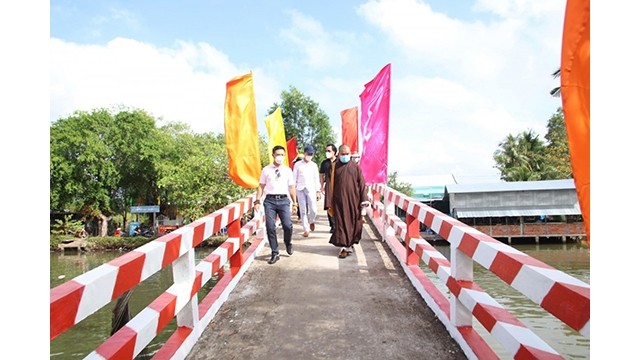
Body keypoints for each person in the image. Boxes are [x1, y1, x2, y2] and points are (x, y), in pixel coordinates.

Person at [254, 145, 298, 264]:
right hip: (270, 201)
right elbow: (261, 186)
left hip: (284, 200)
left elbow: (292, 187)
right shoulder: (266, 170)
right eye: (278, 154)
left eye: (282, 155)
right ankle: (275, 252)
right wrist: (257, 201)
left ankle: (288, 242)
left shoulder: (288, 170)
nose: (280, 157)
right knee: (270, 226)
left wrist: (295, 203)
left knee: (287, 225)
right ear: (273, 155)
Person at [327, 144, 370, 258]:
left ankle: (349, 244)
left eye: (347, 154)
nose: (345, 156)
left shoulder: (355, 167)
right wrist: (328, 202)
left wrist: (364, 201)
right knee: (341, 224)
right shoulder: (334, 167)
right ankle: (345, 247)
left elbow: (362, 185)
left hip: (354, 201)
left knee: (354, 224)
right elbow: (329, 185)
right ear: (338, 154)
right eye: (343, 154)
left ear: (350, 154)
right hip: (339, 201)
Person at [293, 145, 321, 237]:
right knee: (303, 210)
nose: (309, 155)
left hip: (311, 189)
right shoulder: (297, 165)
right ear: (304, 153)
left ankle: (311, 221)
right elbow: (294, 178)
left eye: (311, 154)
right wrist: (294, 190)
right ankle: (306, 229)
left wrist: (318, 191)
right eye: (308, 153)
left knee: (313, 209)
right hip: (300, 189)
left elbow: (316, 179)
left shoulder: (314, 165)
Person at [319, 143, 337, 233]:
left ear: (334, 152)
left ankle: (338, 224)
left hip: (338, 187)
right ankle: (333, 225)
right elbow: (321, 175)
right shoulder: (324, 163)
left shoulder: (339, 162)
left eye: (329, 151)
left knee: (338, 205)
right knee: (329, 205)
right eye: (326, 151)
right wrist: (322, 186)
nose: (327, 152)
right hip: (328, 187)